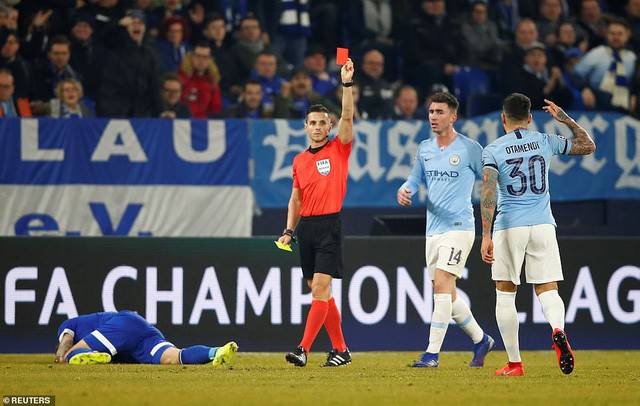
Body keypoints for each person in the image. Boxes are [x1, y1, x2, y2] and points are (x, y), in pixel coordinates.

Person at [480, 93, 596, 376]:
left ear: (503, 118)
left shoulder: (493, 150)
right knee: (547, 288)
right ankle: (558, 330)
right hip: (544, 224)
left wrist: (485, 233)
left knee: (505, 293)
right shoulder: (544, 141)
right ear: (530, 118)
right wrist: (565, 119)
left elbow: (489, 191)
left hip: (510, 225)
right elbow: (588, 145)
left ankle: (515, 363)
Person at [397, 91, 494, 368]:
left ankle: (431, 354)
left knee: (441, 284)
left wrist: (488, 228)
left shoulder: (470, 148)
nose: (433, 117)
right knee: (446, 294)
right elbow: (414, 179)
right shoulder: (425, 148)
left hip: (460, 226)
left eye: (439, 112)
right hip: (433, 230)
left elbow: (490, 182)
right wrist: (405, 190)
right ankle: (481, 339)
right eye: (430, 112)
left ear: (454, 117)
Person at [278, 58, 354, 368]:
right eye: (313, 123)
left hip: (329, 226)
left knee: (320, 290)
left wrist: (346, 84)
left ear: (330, 125)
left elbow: (348, 114)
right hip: (306, 229)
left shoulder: (339, 148)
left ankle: (302, 349)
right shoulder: (298, 160)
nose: (319, 127)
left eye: (324, 122)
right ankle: (342, 350)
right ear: (306, 126)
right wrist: (288, 231)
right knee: (320, 292)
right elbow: (295, 199)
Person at [54, 310, 238, 366]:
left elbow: (66, 341)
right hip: (142, 330)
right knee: (174, 357)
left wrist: (61, 355)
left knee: (72, 355)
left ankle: (94, 355)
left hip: (122, 326)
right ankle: (216, 351)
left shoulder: (70, 324)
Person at [178, 42, 223, 118]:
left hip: (203, 125)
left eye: (205, 57)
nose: (201, 60)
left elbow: (215, 110)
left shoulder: (212, 82)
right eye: (198, 56)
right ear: (191, 57)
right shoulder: (181, 78)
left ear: (210, 60)